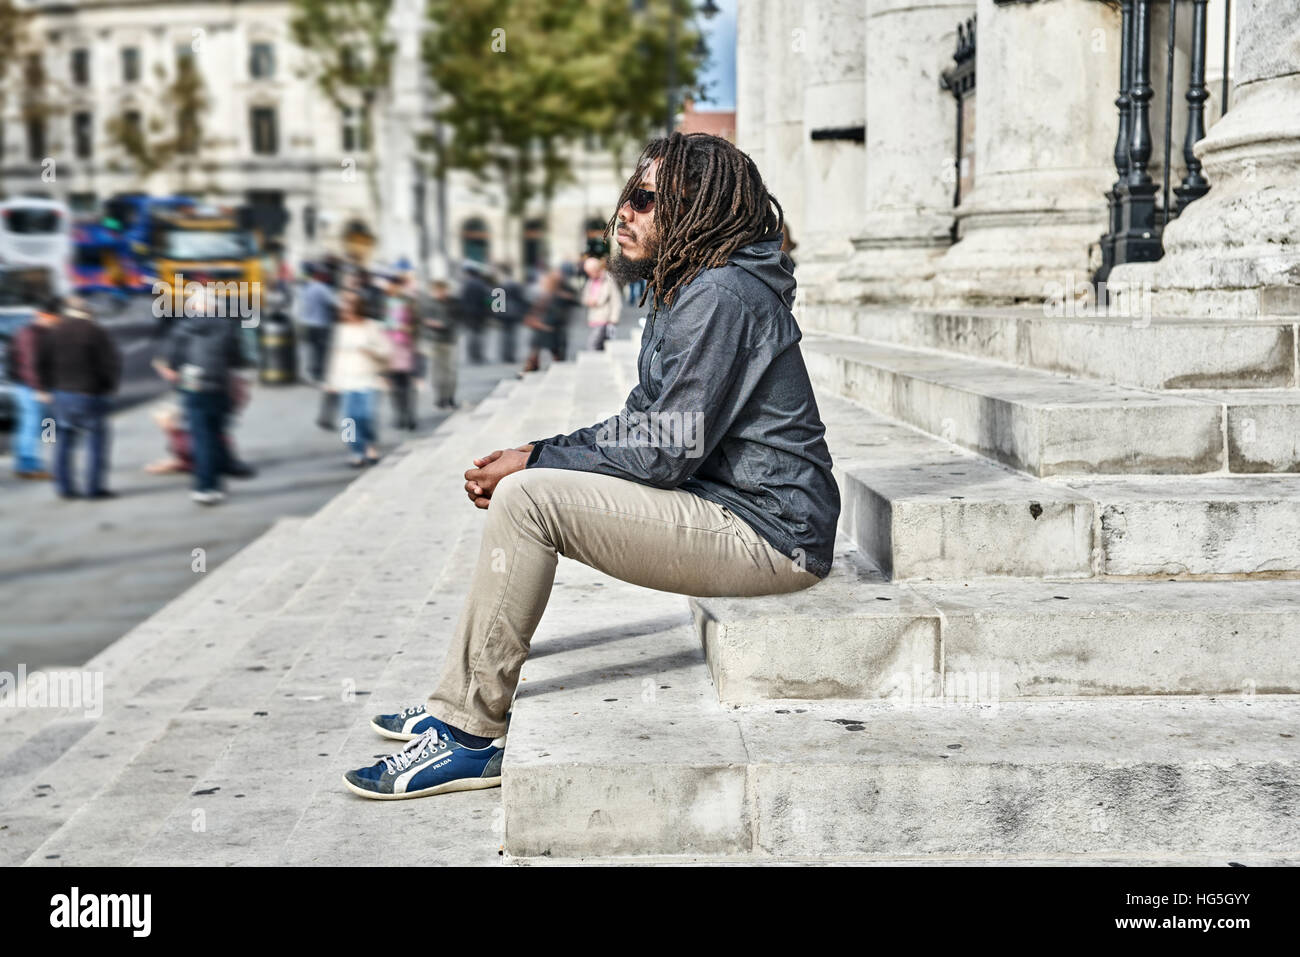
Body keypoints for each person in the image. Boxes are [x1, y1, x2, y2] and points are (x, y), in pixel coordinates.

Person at [343, 131, 841, 800]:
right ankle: (455, 701)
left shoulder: (724, 296)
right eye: (626, 196)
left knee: (528, 501)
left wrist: (537, 461)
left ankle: (468, 736)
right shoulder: (690, 290)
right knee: (529, 486)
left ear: (697, 210)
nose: (623, 215)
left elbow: (662, 449)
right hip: (734, 507)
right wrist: (536, 452)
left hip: (775, 536)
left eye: (644, 199)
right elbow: (640, 419)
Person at [154, 309, 249, 505]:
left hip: (192, 384)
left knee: (201, 436)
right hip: (218, 384)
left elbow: (172, 360)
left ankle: (205, 487)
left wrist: (177, 370)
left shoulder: (182, 328)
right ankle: (219, 476)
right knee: (216, 433)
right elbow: (237, 358)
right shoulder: (226, 326)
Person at [37, 297, 121, 500]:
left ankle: (64, 488)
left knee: (63, 441)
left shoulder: (54, 332)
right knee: (96, 442)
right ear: (88, 312)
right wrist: (106, 388)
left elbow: (41, 363)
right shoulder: (95, 331)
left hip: (62, 395)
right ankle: (94, 488)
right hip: (90, 394)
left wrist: (47, 388)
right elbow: (110, 364)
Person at [326, 289, 392, 467]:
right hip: (346, 380)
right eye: (343, 308)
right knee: (349, 419)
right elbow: (335, 355)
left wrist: (371, 350)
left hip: (368, 379)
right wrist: (331, 380)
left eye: (347, 308)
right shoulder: (340, 329)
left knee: (366, 416)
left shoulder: (371, 327)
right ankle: (355, 451)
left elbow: (386, 352)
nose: (344, 311)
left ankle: (370, 444)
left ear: (357, 308)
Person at [8, 298, 59, 479]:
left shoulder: (37, 333)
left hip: (35, 386)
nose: (55, 323)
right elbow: (31, 365)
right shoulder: (31, 335)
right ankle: (29, 465)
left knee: (44, 424)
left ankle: (36, 461)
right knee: (31, 424)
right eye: (53, 319)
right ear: (43, 316)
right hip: (31, 387)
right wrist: (41, 389)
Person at [383, 276, 418, 431]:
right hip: (388, 348)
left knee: (406, 384)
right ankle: (400, 415)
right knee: (395, 385)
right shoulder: (382, 304)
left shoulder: (409, 304)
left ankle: (410, 416)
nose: (393, 288)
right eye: (391, 285)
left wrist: (410, 330)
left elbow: (417, 324)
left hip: (405, 347)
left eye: (396, 285)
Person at [420, 279, 460, 409]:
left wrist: (443, 324)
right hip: (434, 340)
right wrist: (431, 324)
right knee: (437, 371)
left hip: (450, 340)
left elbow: (456, 319)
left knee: (450, 370)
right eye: (437, 290)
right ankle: (440, 398)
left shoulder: (453, 303)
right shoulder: (428, 303)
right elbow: (423, 320)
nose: (440, 293)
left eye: (442, 290)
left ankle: (450, 397)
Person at [299, 267, 337, 383]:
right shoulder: (323, 288)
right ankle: (318, 373)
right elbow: (334, 303)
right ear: (321, 276)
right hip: (320, 324)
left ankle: (310, 371)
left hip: (308, 323)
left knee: (311, 348)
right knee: (321, 350)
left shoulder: (307, 287)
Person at [580, 254, 621, 351]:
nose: (589, 274)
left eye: (590, 272)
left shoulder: (608, 279)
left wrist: (614, 319)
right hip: (594, 318)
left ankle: (592, 363)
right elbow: (584, 297)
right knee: (602, 346)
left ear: (596, 269)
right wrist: (589, 301)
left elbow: (616, 300)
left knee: (592, 344)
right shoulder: (591, 281)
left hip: (605, 319)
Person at [494, 262, 527, 364]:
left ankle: (505, 354)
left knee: (504, 334)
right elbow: (521, 299)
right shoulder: (515, 284)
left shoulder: (500, 284)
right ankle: (510, 355)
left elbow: (496, 301)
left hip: (503, 311)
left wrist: (496, 313)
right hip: (514, 311)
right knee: (512, 334)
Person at [458, 263, 490, 365]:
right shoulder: (481, 284)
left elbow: (462, 299)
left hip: (468, 313)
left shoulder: (466, 284)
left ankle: (471, 355)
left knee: (470, 334)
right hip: (480, 313)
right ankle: (479, 355)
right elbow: (486, 299)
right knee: (479, 334)